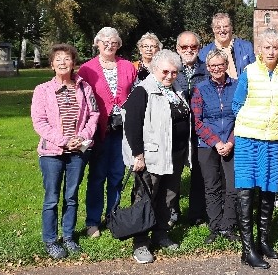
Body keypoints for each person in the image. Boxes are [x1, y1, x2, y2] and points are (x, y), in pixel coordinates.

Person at [232, 28, 278, 269]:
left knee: (269, 190)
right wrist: (252, 121)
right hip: (248, 138)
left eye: (275, 47)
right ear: (259, 49)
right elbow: (236, 104)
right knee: (246, 192)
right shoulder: (249, 72)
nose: (270, 51)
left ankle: (264, 240)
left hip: (274, 140)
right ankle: (247, 249)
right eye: (266, 47)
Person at [123, 50, 192, 264]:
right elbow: (132, 126)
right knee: (145, 198)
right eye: (165, 71)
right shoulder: (143, 91)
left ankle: (161, 233)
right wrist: (138, 155)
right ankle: (141, 242)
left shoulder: (177, 90)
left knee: (168, 196)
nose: (170, 76)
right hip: (151, 156)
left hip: (175, 155)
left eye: (174, 72)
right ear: (154, 70)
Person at [31, 44, 100, 259]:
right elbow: (39, 122)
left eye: (67, 58)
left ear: (73, 62)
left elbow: (94, 114)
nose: (62, 62)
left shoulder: (84, 87)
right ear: (51, 64)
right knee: (52, 198)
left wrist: (81, 137)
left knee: (71, 196)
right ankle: (51, 240)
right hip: (52, 153)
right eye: (58, 59)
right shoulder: (42, 90)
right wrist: (63, 141)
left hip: (78, 151)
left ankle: (68, 237)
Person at [78, 27, 137, 238]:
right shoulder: (86, 69)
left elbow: (135, 95)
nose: (109, 44)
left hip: (122, 131)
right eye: (104, 41)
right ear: (97, 43)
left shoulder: (128, 66)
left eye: (113, 41)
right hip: (98, 131)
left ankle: (113, 216)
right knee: (97, 176)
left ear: (119, 44)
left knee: (117, 176)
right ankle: (92, 221)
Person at [192, 50, 239, 244]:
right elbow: (197, 121)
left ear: (226, 65)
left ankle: (228, 225)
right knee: (211, 186)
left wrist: (229, 141)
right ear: (208, 68)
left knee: (232, 185)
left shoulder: (237, 86)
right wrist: (216, 142)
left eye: (220, 65)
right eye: (212, 66)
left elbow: (241, 116)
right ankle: (215, 225)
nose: (216, 69)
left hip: (231, 141)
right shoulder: (200, 89)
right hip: (207, 144)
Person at [173, 30, 209, 226]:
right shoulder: (171, 69)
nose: (189, 50)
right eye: (184, 47)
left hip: (199, 129)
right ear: (178, 49)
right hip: (176, 130)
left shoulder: (206, 70)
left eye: (193, 47)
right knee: (173, 172)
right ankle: (172, 212)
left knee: (199, 173)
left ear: (199, 48)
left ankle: (196, 213)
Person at [198, 12, 256, 78]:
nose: (222, 30)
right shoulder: (204, 53)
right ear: (213, 30)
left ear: (231, 28)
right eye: (218, 27)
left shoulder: (246, 47)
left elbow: (255, 73)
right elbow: (204, 78)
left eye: (226, 26)